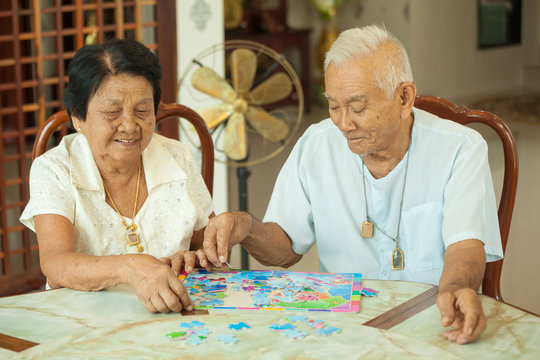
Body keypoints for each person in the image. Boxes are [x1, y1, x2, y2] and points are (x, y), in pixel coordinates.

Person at [202, 25, 503, 344]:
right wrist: (246, 226)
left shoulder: (460, 148)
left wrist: (457, 288)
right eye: (333, 106)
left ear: (404, 98)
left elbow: (466, 244)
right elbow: (285, 248)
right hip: (341, 329)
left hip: (433, 320)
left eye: (358, 107)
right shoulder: (316, 145)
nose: (343, 124)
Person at [20, 38, 212, 313]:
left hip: (173, 318)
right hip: (86, 324)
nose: (129, 125)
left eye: (142, 111)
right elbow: (56, 263)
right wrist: (129, 267)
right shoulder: (55, 168)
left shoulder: (176, 156)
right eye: (112, 112)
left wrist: (197, 256)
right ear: (78, 117)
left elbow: (207, 244)